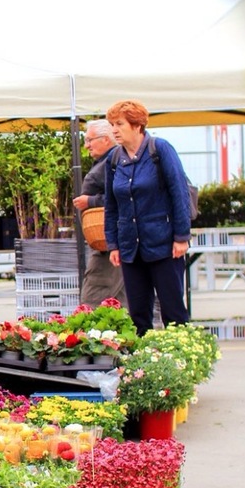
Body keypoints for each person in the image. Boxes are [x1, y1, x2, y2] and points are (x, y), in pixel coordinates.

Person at [103, 99, 191, 336]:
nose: (114, 130)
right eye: (112, 124)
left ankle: (180, 361)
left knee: (173, 312)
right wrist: (113, 243)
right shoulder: (113, 159)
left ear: (137, 125)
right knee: (139, 316)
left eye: (119, 124)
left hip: (164, 244)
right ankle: (142, 367)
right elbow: (111, 205)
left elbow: (179, 193)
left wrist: (181, 236)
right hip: (131, 248)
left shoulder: (159, 150)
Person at [72, 119, 127, 306]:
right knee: (120, 297)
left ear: (106, 139)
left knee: (92, 298)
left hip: (110, 242)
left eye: (90, 140)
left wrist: (91, 201)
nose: (86, 145)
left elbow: (122, 197)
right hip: (107, 242)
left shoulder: (115, 162)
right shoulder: (108, 161)